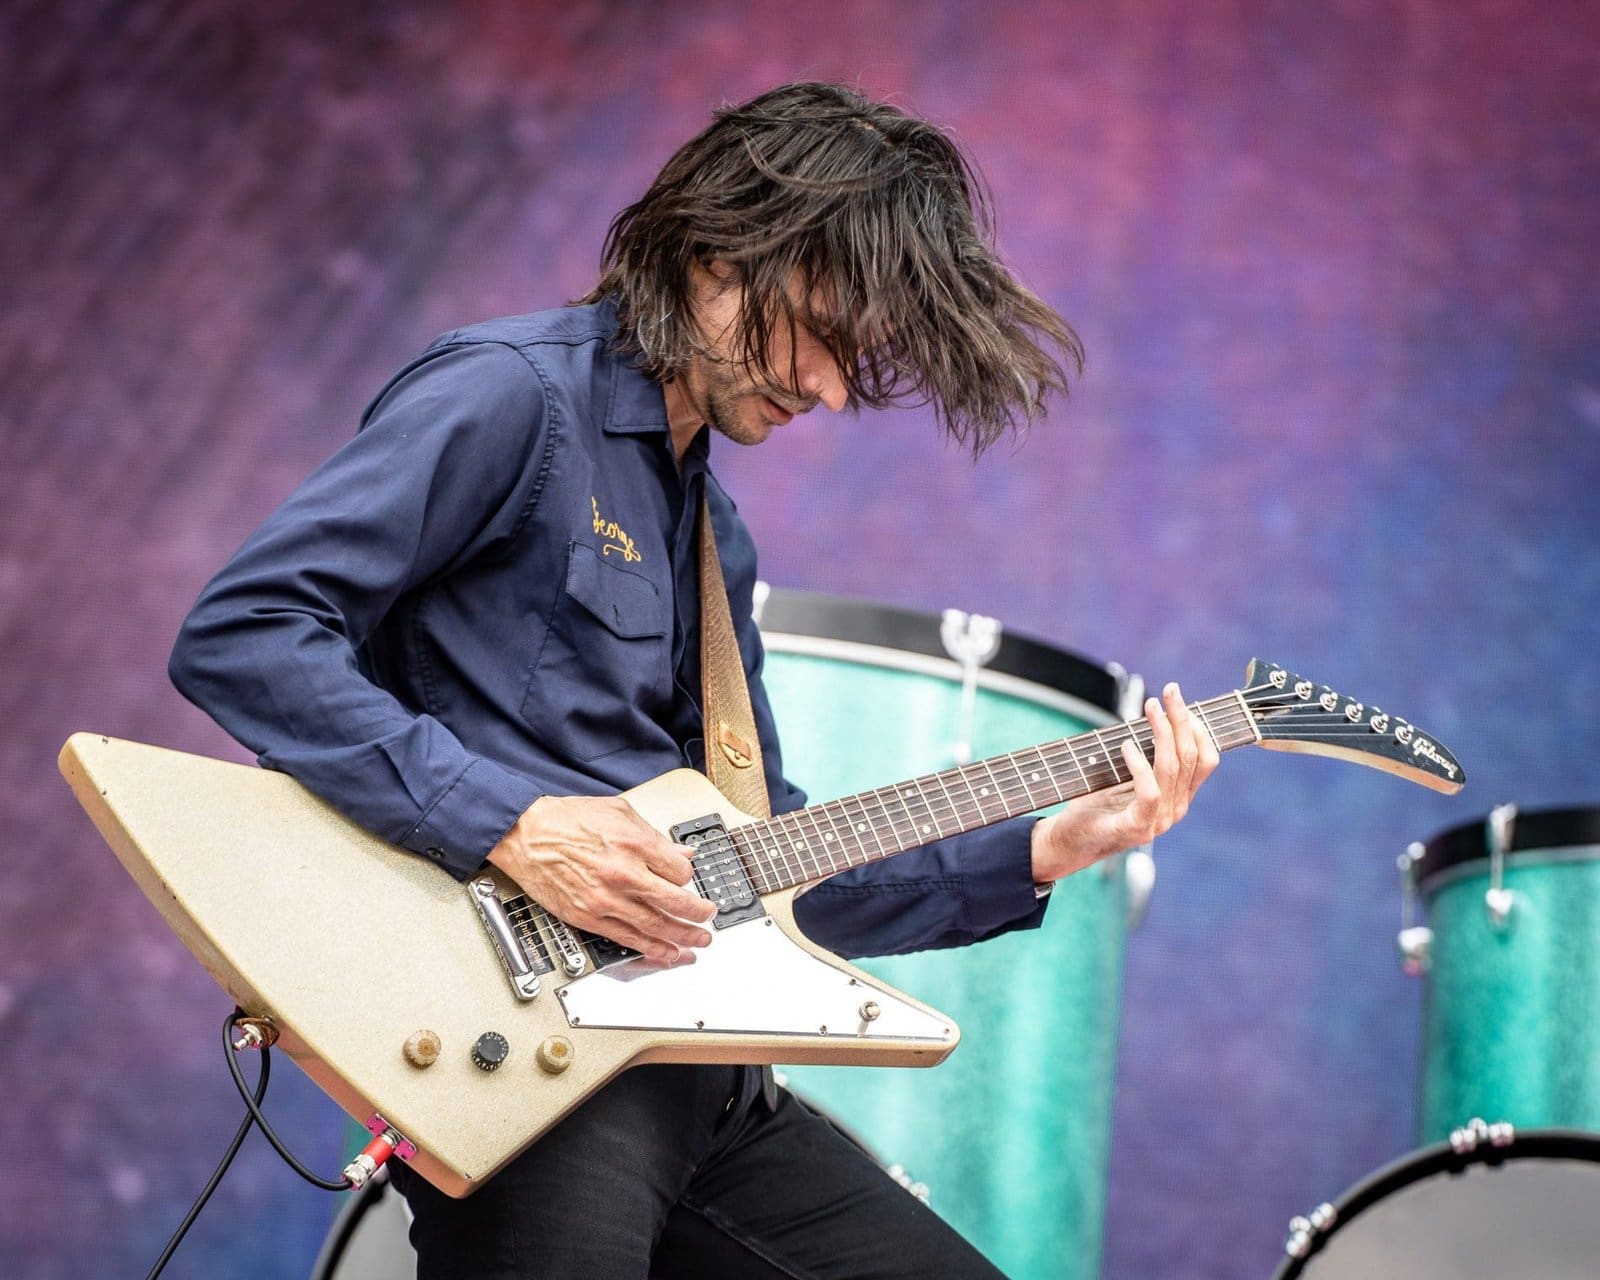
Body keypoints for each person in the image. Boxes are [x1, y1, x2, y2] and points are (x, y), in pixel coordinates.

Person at [170, 82, 1217, 1279]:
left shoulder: (715, 533)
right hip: (536, 1074)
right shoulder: (511, 394)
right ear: (721, 250)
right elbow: (245, 630)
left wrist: (1049, 844)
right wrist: (508, 822)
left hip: (708, 1081)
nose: (829, 387)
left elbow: (766, 867)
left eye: (853, 358)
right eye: (821, 328)